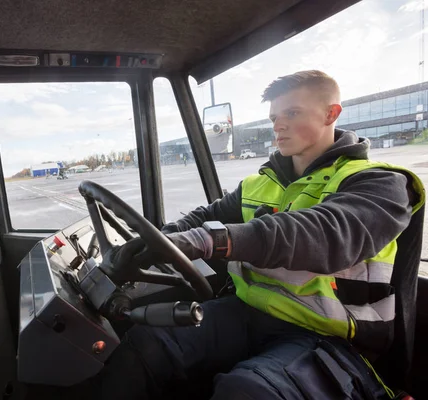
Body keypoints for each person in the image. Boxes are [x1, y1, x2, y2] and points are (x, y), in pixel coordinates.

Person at [74, 70, 426, 400]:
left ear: (331, 114)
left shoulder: (380, 182)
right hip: (248, 313)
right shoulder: (260, 183)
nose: (279, 125)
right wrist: (158, 241)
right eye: (275, 117)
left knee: (247, 390)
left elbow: (328, 234)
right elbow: (203, 217)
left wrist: (212, 239)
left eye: (291, 112)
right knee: (146, 344)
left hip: (332, 336)